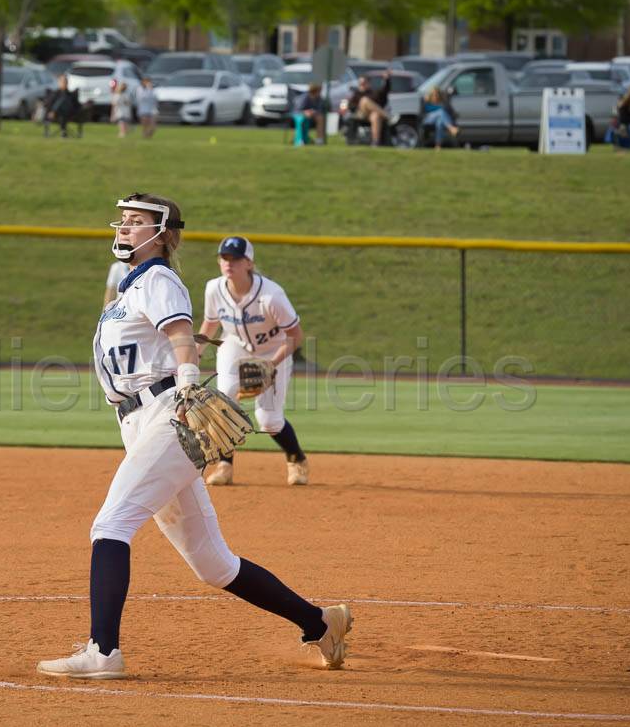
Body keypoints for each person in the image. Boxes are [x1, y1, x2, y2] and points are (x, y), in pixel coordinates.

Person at [36, 192, 352, 679]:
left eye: (136, 221)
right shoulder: (129, 287)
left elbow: (181, 334)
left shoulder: (158, 278)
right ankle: (320, 622)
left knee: (112, 524)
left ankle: (104, 652)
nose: (124, 228)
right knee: (212, 563)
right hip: (138, 420)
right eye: (122, 220)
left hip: (169, 413)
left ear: (161, 234)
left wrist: (186, 380)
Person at [197, 236, 310, 487]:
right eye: (224, 258)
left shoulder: (271, 296)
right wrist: (195, 351)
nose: (229, 263)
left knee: (269, 420)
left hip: (273, 351)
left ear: (249, 263)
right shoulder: (214, 289)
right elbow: (211, 323)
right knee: (224, 398)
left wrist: (273, 363)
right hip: (234, 345)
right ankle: (225, 465)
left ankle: (297, 459)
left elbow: (295, 336)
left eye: (236, 259)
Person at [341, 70, 392, 146]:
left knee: (375, 116)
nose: (362, 85)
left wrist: (386, 79)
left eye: (364, 83)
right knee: (364, 100)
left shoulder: (374, 93)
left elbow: (385, 91)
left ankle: (375, 142)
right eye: (360, 84)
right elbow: (349, 105)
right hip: (360, 114)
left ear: (368, 83)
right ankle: (387, 116)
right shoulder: (356, 94)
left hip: (370, 115)